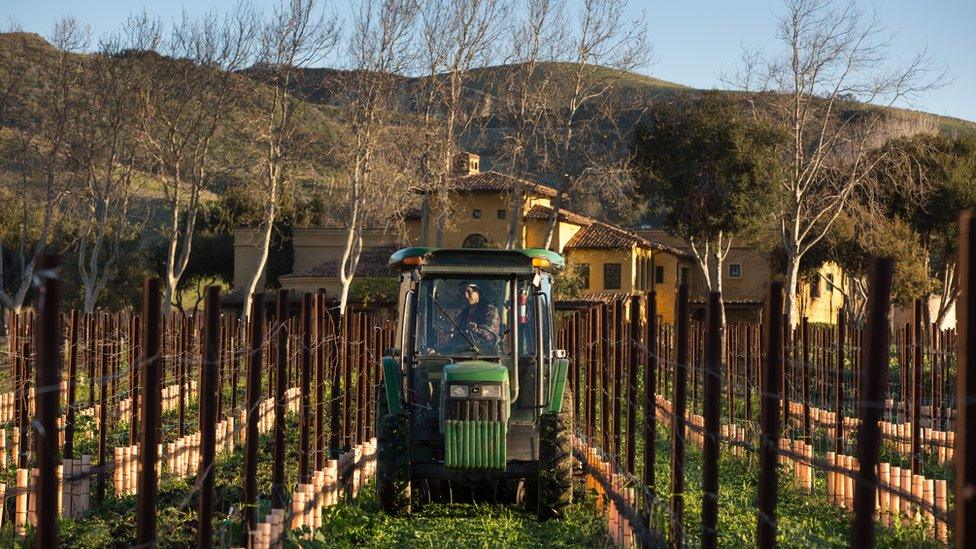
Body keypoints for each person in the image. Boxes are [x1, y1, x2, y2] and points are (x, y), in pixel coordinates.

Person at [455, 282, 500, 348]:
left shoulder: (490, 310)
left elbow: (490, 333)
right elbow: (458, 336)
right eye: (462, 293)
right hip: (465, 351)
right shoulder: (464, 313)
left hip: (488, 352)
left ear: (477, 292)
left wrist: (476, 330)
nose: (465, 295)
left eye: (468, 291)